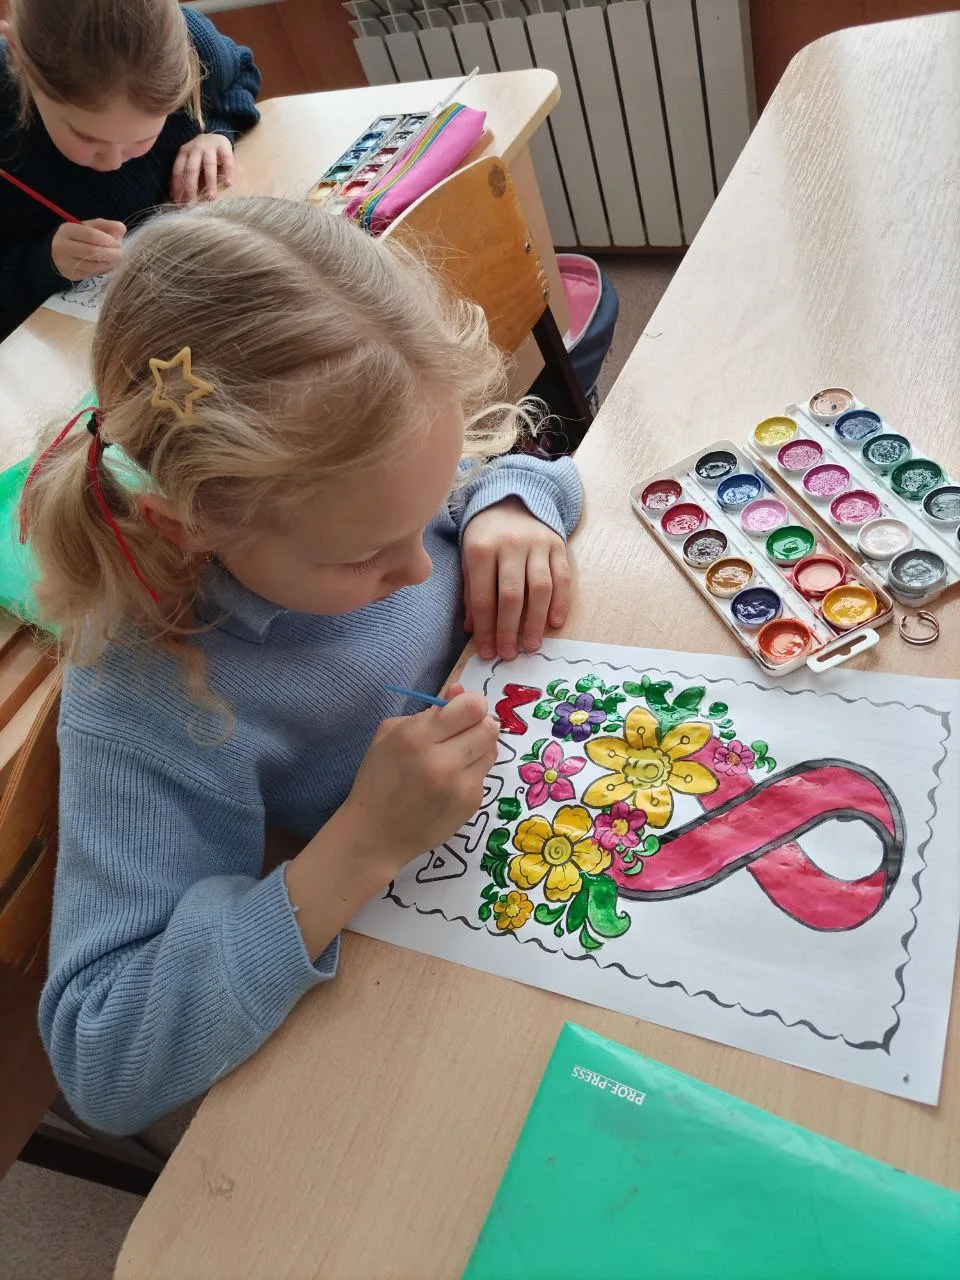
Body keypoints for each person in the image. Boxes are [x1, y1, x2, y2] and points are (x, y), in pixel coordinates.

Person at [22, 195, 583, 1134]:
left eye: (427, 517)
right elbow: (102, 1058)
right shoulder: (147, 694)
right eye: (364, 558)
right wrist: (361, 842)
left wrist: (512, 506)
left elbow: (510, 473)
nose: (418, 568)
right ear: (189, 525)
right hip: (409, 975)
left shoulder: (366, 476)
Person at [0, 0, 261, 338]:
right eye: (87, 138)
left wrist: (218, 130)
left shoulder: (191, 42)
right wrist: (42, 265)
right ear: (19, 56)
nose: (113, 162)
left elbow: (241, 71)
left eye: (143, 138)